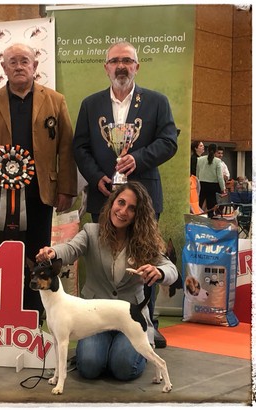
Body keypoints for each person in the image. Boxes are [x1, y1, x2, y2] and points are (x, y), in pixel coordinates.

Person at [72, 41, 178, 348]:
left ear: (137, 66)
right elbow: (80, 147)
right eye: (115, 61)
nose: (121, 66)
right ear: (106, 67)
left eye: (127, 61)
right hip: (103, 195)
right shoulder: (91, 104)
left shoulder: (157, 102)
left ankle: (147, 322)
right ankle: (99, 323)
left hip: (144, 198)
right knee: (102, 261)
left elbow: (169, 141)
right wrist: (96, 177)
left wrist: (138, 159)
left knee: (145, 258)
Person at [0, 43, 78, 329]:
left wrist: (66, 188)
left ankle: (32, 317)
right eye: (12, 62)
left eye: (24, 61)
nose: (19, 66)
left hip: (41, 194)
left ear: (35, 66)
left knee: (37, 255)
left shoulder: (55, 100)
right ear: (3, 68)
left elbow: (66, 147)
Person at [36, 181, 178, 381]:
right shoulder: (91, 232)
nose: (123, 211)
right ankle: (108, 353)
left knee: (123, 368)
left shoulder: (144, 242)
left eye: (132, 208)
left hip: (129, 316)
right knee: (89, 367)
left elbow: (171, 270)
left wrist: (159, 272)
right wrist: (53, 252)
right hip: (93, 317)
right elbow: (71, 249)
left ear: (138, 215)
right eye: (121, 203)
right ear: (112, 202)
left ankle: (137, 351)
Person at [196, 143, 226, 217]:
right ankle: (210, 218)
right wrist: (223, 189)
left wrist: (197, 185)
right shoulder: (217, 161)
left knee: (199, 204)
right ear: (216, 151)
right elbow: (220, 177)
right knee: (211, 207)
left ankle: (196, 218)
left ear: (207, 150)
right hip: (213, 186)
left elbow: (197, 174)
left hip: (202, 184)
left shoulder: (199, 159)